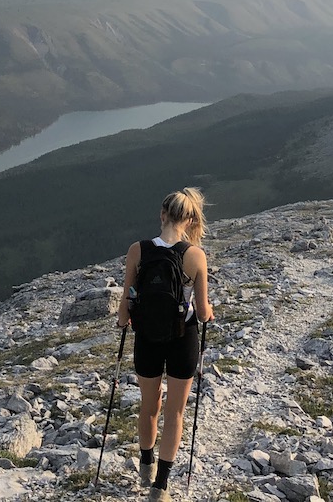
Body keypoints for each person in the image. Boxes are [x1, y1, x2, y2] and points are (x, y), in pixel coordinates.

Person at [116, 187, 214, 502]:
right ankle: (161, 486)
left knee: (149, 407)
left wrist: (124, 323)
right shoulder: (196, 255)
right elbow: (201, 311)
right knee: (175, 413)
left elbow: (125, 304)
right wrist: (209, 313)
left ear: (162, 215)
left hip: (147, 339)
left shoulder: (137, 250)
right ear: (188, 220)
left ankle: (146, 461)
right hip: (183, 340)